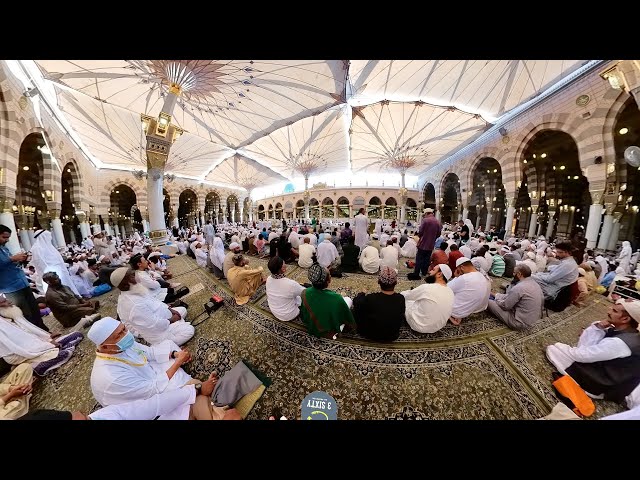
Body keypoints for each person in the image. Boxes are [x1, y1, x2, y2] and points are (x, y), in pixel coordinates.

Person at [546, 300, 640, 403]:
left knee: (553, 349)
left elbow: (582, 355)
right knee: (569, 349)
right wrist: (599, 327)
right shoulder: (629, 332)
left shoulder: (619, 342)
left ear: (625, 319)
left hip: (600, 382)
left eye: (614, 311)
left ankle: (583, 386)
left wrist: (565, 349)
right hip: (606, 372)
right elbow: (589, 348)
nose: (609, 311)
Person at [0, 297, 84, 376]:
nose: (10, 302)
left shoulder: (10, 315)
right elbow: (21, 347)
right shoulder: (2, 325)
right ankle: (36, 367)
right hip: (22, 354)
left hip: (38, 344)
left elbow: (29, 331)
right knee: (64, 354)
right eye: (4, 302)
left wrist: (47, 336)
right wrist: (48, 345)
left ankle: (34, 363)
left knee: (76, 334)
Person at [112, 267, 194, 346]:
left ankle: (178, 324)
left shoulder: (134, 290)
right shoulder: (134, 304)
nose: (136, 276)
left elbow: (155, 301)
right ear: (126, 283)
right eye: (132, 276)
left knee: (183, 310)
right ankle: (161, 345)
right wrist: (172, 319)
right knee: (189, 330)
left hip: (163, 317)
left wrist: (171, 310)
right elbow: (154, 324)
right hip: (159, 332)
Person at [0, 225, 48, 331]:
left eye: (8, 237)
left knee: (34, 309)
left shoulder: (4, 248)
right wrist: (12, 258)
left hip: (21, 283)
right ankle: (38, 337)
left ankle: (44, 331)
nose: (6, 240)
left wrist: (19, 260)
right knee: (25, 314)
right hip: (10, 288)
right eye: (4, 237)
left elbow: (9, 263)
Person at [300, 263, 356, 339]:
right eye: (329, 275)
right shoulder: (336, 298)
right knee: (348, 299)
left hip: (313, 326)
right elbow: (347, 317)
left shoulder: (305, 292)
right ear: (328, 281)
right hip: (329, 332)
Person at [352, 266, 405, 342]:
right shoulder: (401, 298)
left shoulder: (371, 298)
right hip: (393, 335)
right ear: (396, 282)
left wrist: (362, 293)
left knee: (357, 309)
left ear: (378, 281)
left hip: (370, 335)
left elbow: (356, 302)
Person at [487, 264, 544, 330]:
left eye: (514, 273)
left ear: (519, 274)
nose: (513, 274)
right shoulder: (535, 284)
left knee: (488, 301)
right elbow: (509, 296)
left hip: (518, 323)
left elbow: (505, 306)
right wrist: (496, 295)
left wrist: (496, 300)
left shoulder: (519, 287)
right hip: (531, 320)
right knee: (497, 297)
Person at [401, 264, 454, 334]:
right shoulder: (450, 292)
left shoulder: (427, 288)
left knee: (405, 300)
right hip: (438, 327)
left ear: (439, 274)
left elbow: (407, 296)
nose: (430, 272)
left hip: (419, 325)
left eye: (433, 270)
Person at [30, 229, 81, 296]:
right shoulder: (36, 248)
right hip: (51, 275)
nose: (50, 238)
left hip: (60, 272)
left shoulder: (49, 246)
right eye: (48, 236)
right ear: (43, 236)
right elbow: (41, 264)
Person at [448, 257, 491, 325]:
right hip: (467, 312)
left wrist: (456, 277)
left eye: (458, 270)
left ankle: (448, 314)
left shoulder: (464, 278)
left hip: (455, 311)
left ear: (462, 267)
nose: (459, 272)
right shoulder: (482, 276)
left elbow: (445, 288)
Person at [265, 256, 305, 321]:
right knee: (304, 297)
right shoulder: (291, 284)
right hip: (289, 314)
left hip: (274, 311)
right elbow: (305, 292)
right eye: (284, 263)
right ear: (282, 269)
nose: (285, 265)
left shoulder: (269, 279)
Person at [408, 208, 441, 280]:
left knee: (419, 258)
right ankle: (424, 272)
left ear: (426, 213)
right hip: (431, 245)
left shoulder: (425, 220)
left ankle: (416, 273)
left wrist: (422, 236)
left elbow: (420, 232)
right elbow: (438, 234)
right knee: (427, 259)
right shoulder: (437, 221)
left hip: (423, 244)